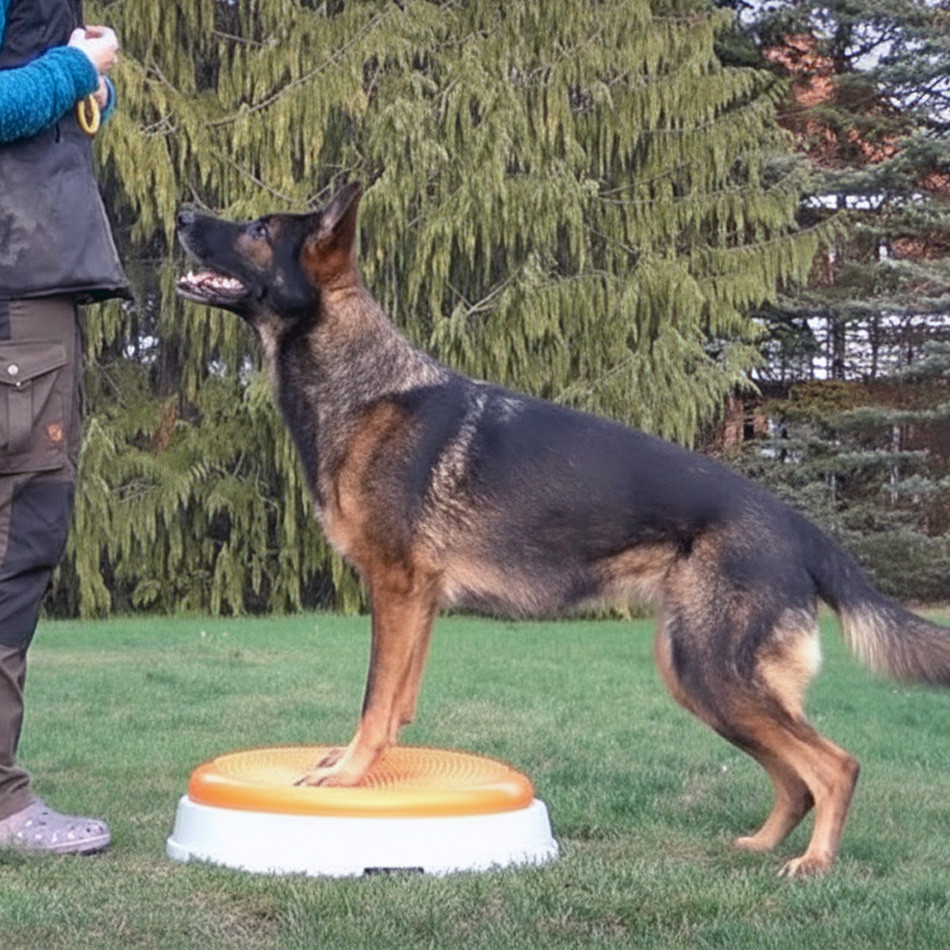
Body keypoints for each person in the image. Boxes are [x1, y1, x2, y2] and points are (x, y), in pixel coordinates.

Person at [0, 0, 128, 854]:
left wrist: (90, 90)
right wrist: (80, 71)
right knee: (16, 542)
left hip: (29, 287)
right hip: (13, 302)